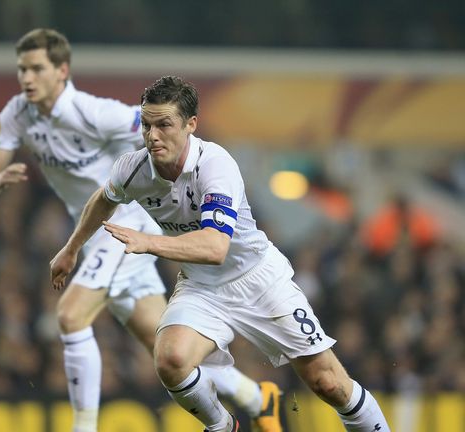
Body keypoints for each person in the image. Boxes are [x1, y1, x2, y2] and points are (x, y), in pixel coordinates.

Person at [0, 29, 282, 432]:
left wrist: (203, 173)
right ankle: (257, 398)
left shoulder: (92, 113)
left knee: (70, 315)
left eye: (36, 69)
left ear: (61, 71)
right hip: (94, 230)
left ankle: (83, 427)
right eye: (21, 69)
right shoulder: (17, 113)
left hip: (124, 226)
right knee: (167, 350)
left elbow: (164, 129)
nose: (26, 78)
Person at [50, 75, 392, 432]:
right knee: (171, 359)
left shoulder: (215, 165)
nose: (152, 136)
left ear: (190, 124)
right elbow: (103, 199)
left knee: (329, 384)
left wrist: (148, 241)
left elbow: (215, 248)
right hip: (202, 288)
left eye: (164, 124)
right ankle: (222, 427)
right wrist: (71, 249)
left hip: (259, 280)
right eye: (147, 124)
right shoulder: (132, 168)